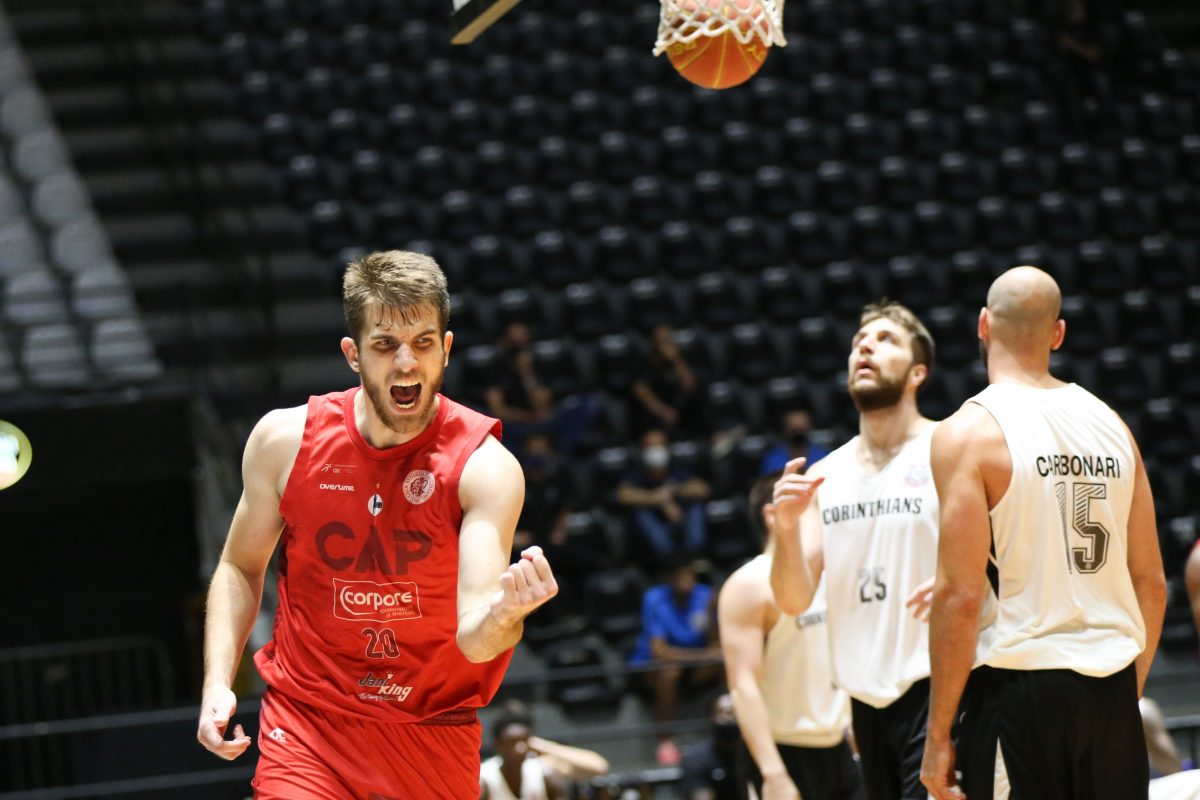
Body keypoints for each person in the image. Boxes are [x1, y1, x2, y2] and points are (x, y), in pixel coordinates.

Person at [196, 250, 559, 799]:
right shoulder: (284, 442)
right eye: (386, 344)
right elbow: (240, 566)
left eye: (423, 343)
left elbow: (477, 637)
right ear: (353, 354)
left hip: (430, 735)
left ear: (446, 348)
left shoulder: (484, 468)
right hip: (308, 724)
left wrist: (506, 616)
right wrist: (217, 681)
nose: (406, 363)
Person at [920, 266, 1167, 800]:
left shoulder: (967, 434)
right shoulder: (1113, 425)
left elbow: (959, 595)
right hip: (1112, 690)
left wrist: (937, 735)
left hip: (1022, 689)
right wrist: (1126, 690)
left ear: (983, 325)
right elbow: (1151, 582)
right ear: (1058, 334)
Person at [770, 300, 940, 800]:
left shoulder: (949, 449)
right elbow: (793, 600)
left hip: (940, 686)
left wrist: (967, 580)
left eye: (886, 340)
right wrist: (785, 529)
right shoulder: (828, 474)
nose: (865, 347)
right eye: (859, 342)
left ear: (917, 373)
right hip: (864, 702)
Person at [719, 472, 864, 800]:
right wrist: (773, 773)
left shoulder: (832, 575)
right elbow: (743, 686)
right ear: (774, 515)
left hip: (838, 744)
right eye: (815, 509)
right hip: (783, 751)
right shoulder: (749, 584)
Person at [629, 554, 723, 766]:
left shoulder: (706, 596)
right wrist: (701, 656)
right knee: (669, 671)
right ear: (669, 579)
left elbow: (715, 645)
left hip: (695, 667)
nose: (686, 582)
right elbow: (660, 652)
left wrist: (707, 654)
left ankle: (725, 729)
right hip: (656, 668)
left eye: (689, 576)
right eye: (680, 577)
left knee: (726, 664)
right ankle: (665, 740)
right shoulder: (654, 599)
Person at [480, 700, 610, 800]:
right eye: (511, 742)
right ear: (497, 744)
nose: (519, 748)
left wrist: (537, 744)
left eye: (524, 740)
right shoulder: (484, 777)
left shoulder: (543, 771)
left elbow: (599, 767)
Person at [616, 428, 711, 564]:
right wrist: (657, 498)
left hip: (681, 520)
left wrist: (674, 490)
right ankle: (668, 558)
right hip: (656, 526)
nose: (655, 450)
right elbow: (623, 495)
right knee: (640, 512)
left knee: (696, 507)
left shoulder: (678, 467)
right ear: (642, 450)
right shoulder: (637, 471)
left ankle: (695, 554)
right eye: (651, 446)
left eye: (659, 445)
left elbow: (702, 489)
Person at [629, 323, 703, 437]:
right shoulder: (643, 363)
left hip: (680, 413)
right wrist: (664, 412)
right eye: (662, 341)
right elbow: (641, 392)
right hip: (654, 416)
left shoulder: (679, 362)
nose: (667, 345)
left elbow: (690, 386)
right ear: (653, 343)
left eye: (669, 340)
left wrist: (677, 360)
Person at [679, 693, 744, 800]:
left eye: (733, 712)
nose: (728, 718)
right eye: (721, 712)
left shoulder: (754, 755)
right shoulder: (696, 759)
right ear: (711, 717)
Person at [759, 408, 830, 476]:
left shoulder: (822, 455)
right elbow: (767, 482)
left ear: (810, 428)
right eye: (793, 430)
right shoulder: (773, 458)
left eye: (801, 429)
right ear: (784, 429)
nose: (798, 433)